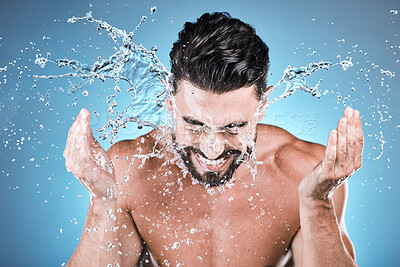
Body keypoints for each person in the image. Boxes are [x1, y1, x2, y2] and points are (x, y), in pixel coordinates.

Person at [64, 12, 363, 267]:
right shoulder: (129, 170)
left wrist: (316, 202)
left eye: (233, 127)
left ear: (263, 106)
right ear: (170, 102)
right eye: (193, 123)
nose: (212, 148)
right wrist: (103, 203)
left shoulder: (305, 173)